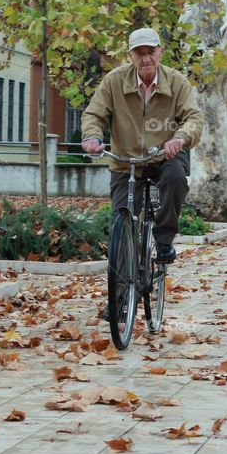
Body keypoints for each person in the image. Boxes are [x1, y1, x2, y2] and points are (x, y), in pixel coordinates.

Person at [81, 27, 204, 271]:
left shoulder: (177, 82)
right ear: (130, 56)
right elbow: (93, 114)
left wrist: (180, 138)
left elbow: (194, 118)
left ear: (161, 53)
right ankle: (118, 300)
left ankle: (164, 239)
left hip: (163, 157)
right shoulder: (114, 81)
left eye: (151, 52)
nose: (146, 58)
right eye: (140, 52)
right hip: (126, 163)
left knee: (176, 178)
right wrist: (92, 137)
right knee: (120, 225)